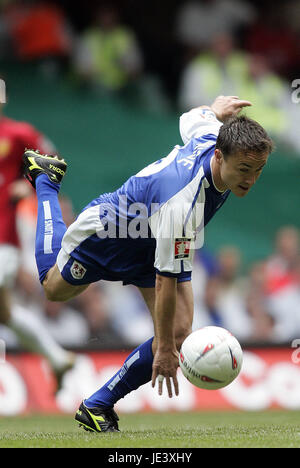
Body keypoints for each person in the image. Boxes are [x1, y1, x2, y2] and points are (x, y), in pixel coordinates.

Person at [22, 95, 274, 432]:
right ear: (219, 155)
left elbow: (193, 117)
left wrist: (215, 110)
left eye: (258, 170)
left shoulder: (213, 136)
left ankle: (97, 406)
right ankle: (46, 181)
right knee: (53, 288)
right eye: (244, 170)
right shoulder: (183, 204)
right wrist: (164, 350)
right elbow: (164, 281)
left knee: (181, 329)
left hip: (155, 237)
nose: (251, 179)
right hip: (110, 233)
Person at [0, 96, 75, 390]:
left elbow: (51, 160)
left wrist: (28, 184)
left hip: (4, 240)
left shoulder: (17, 134)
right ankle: (57, 359)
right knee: (4, 313)